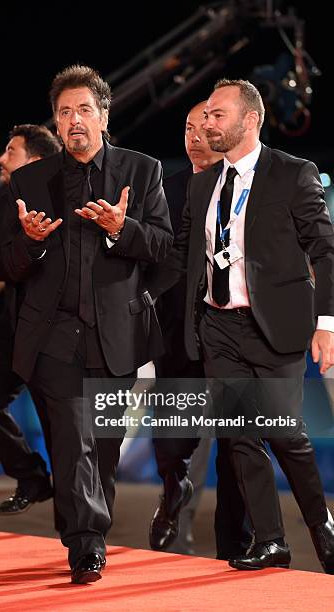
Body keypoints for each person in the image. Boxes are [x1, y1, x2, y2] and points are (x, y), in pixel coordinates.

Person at [148, 79, 334, 573]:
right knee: (239, 436)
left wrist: (327, 323)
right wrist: (131, 263)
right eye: (205, 115)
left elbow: (324, 250)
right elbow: (182, 257)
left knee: (283, 432)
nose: (206, 123)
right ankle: (272, 540)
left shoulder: (294, 174)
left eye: (216, 115)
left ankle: (322, 525)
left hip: (275, 329)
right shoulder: (202, 183)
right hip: (218, 329)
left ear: (250, 120)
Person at [0, 64, 173, 583]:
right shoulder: (29, 180)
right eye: (63, 112)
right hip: (54, 335)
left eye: (82, 110)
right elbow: (5, 262)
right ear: (55, 123)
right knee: (73, 439)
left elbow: (165, 247)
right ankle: (86, 544)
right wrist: (29, 242)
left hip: (117, 335)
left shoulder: (142, 172)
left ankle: (88, 528)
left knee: (103, 447)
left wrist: (123, 228)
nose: (73, 120)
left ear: (104, 114)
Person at [150, 101, 233, 555]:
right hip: (176, 338)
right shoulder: (165, 190)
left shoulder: (246, 189)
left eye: (207, 125)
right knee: (175, 444)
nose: (196, 134)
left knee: (239, 449)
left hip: (234, 336)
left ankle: (236, 545)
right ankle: (175, 536)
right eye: (188, 126)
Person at [0, 124, 62, 515]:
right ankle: (31, 476)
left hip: (54, 333)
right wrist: (21, 255)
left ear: (35, 161)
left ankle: (74, 531)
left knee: (59, 430)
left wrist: (16, 259)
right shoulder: (8, 202)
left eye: (11, 151)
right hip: (12, 329)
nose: (1, 159)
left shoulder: (65, 197)